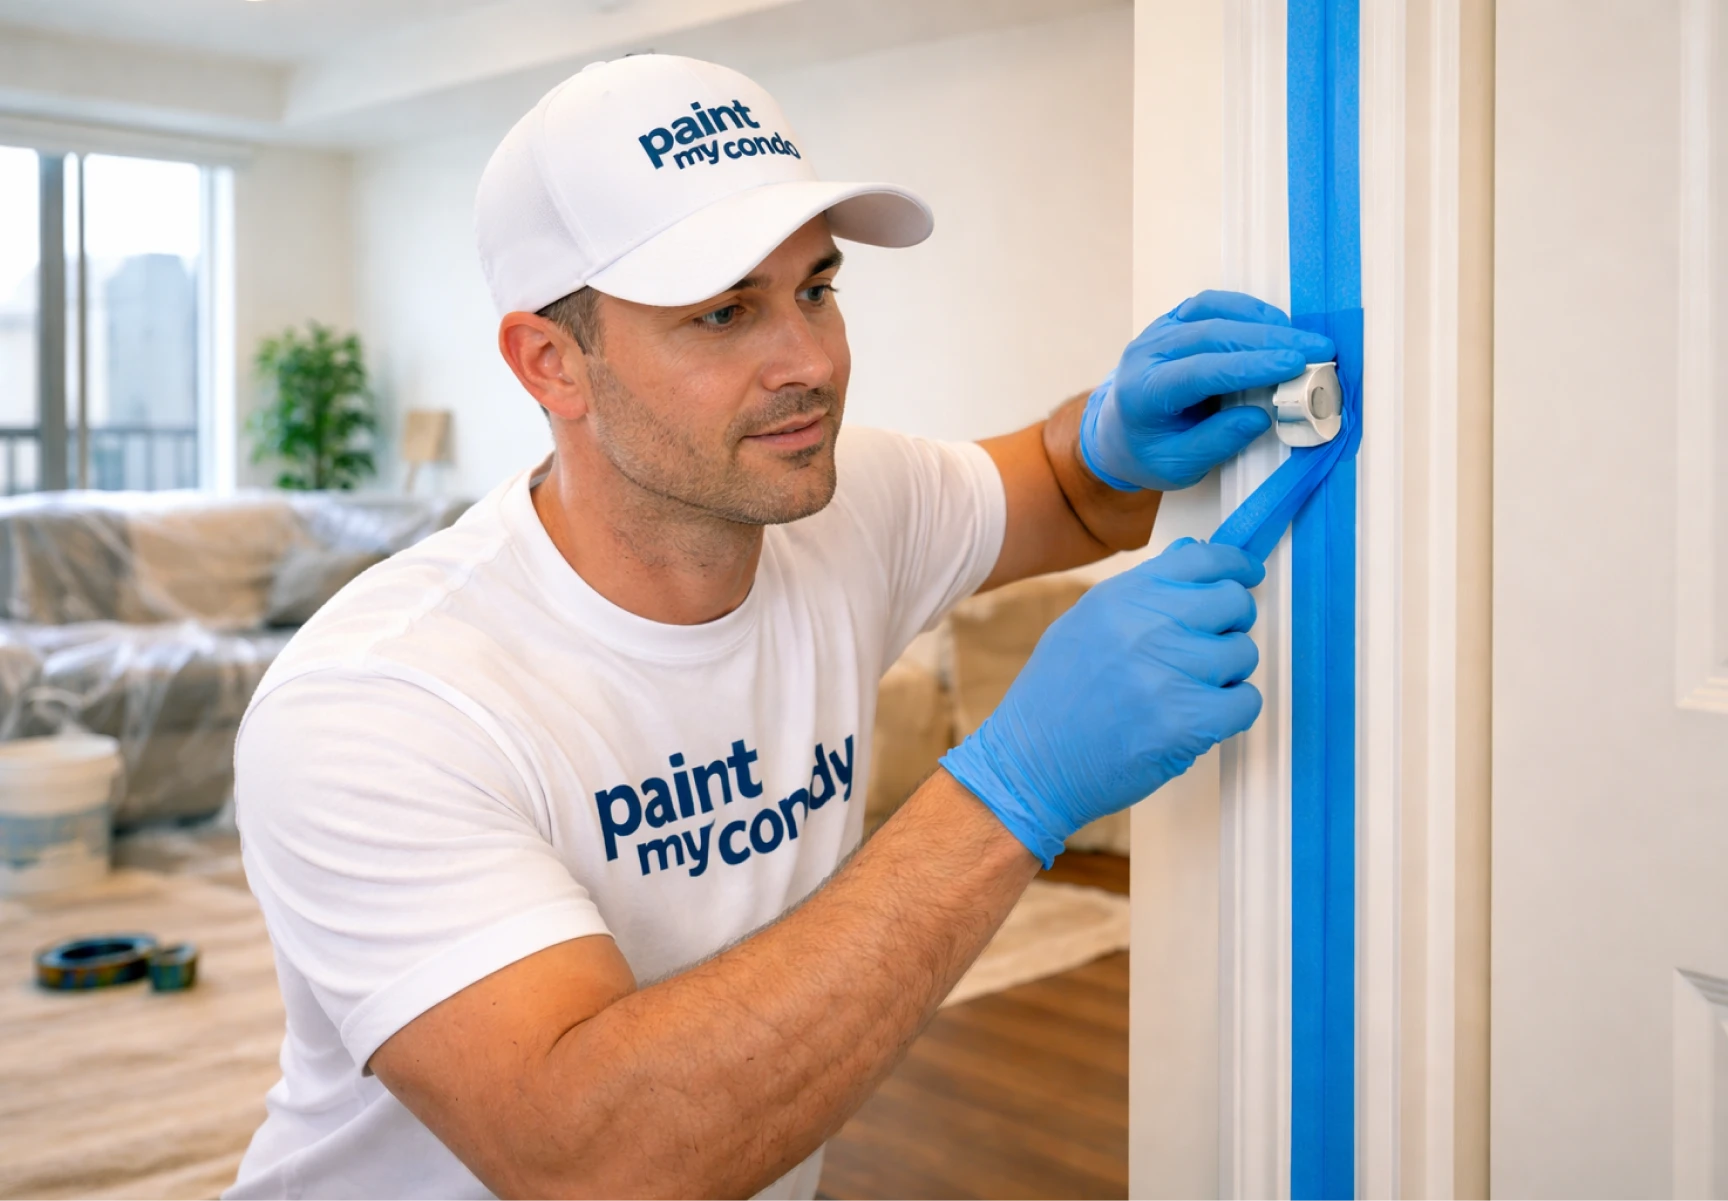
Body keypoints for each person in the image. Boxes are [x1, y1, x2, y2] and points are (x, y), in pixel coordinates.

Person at [225, 53, 1333, 1201]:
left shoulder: (846, 504)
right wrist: (1015, 786)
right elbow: (593, 1158)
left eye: (816, 289)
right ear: (552, 364)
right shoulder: (381, 702)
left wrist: (1110, 434)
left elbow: (1063, 487)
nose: (809, 363)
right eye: (722, 312)